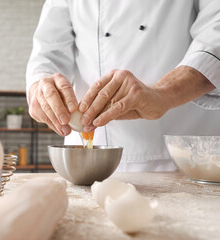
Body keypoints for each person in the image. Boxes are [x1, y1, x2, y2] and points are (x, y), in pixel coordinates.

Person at [26, 0, 220, 172]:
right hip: (85, 160)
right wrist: (41, 87)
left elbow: (214, 38)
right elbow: (48, 50)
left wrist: (162, 94)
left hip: (185, 156)